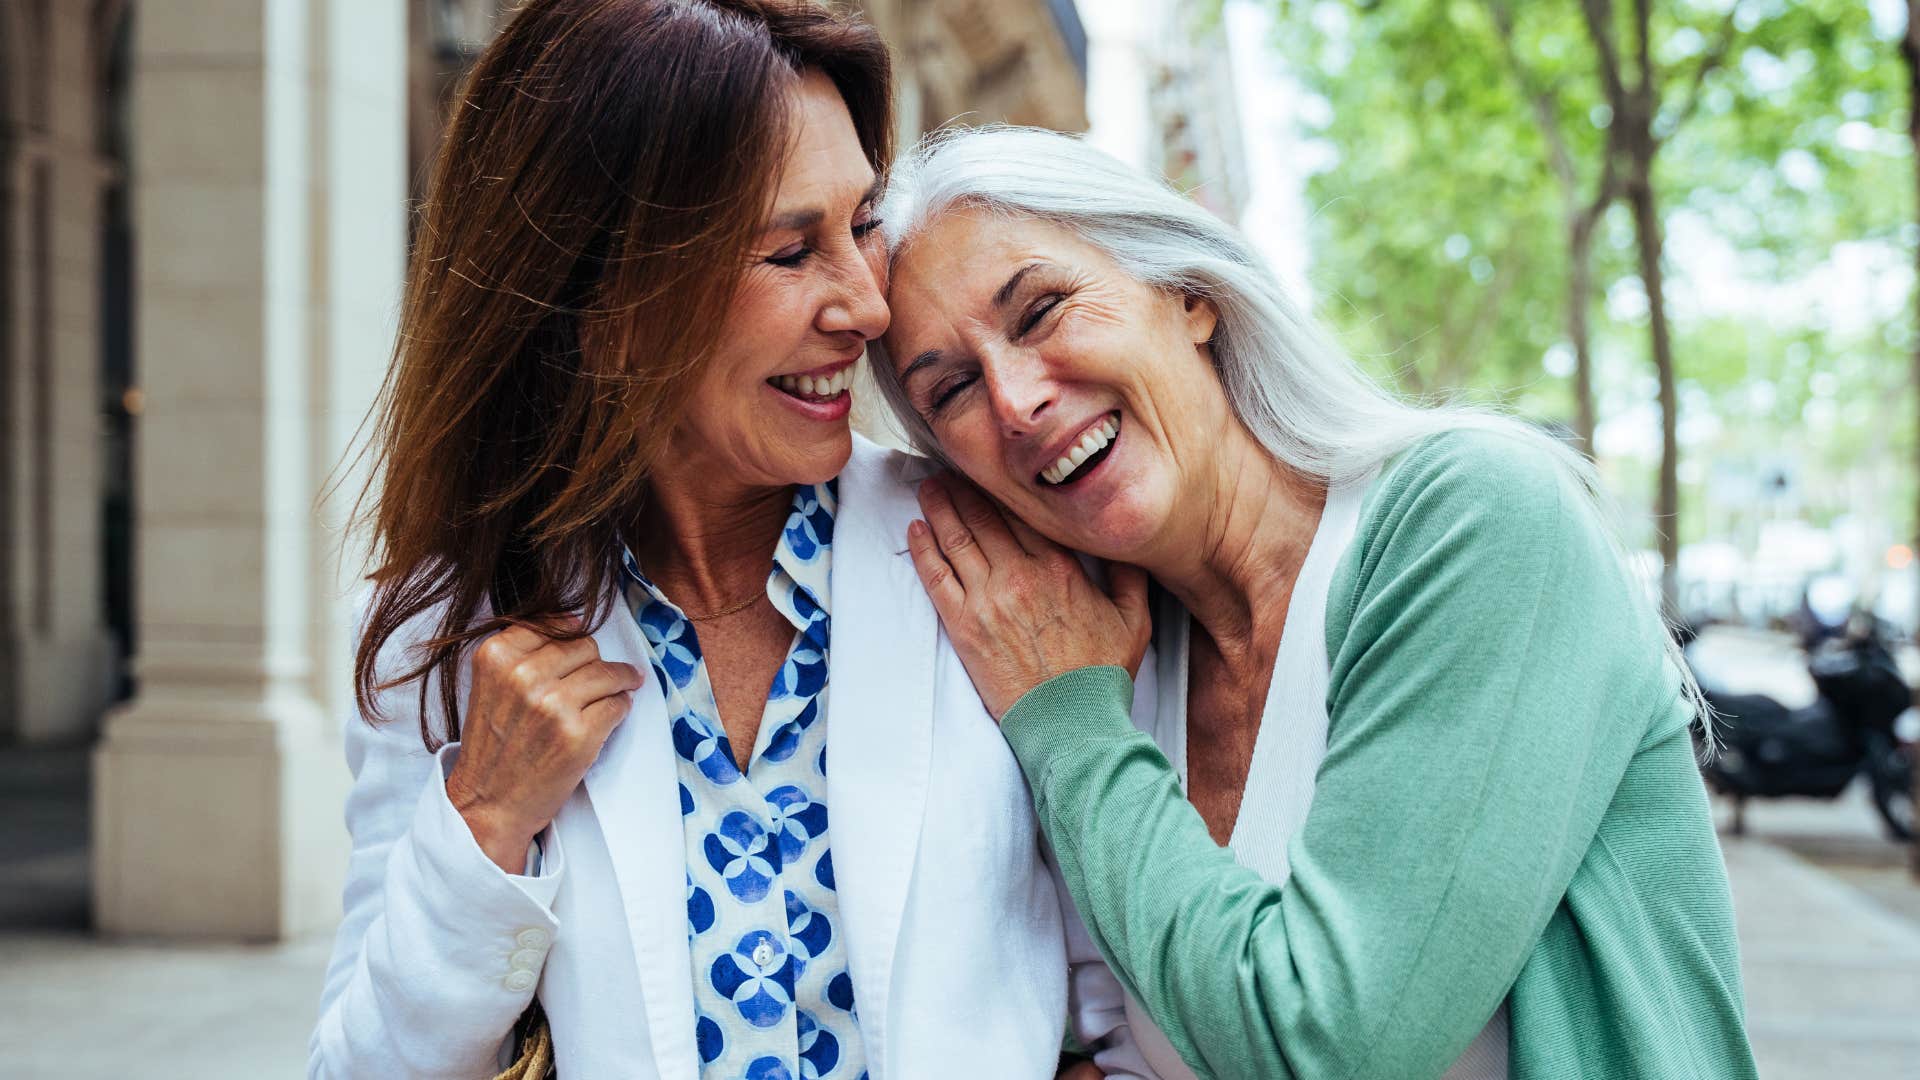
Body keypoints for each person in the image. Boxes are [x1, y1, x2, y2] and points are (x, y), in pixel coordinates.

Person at [311, 9, 1139, 1078]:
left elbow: (1133, 1019)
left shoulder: (996, 562)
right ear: (603, 301)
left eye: (864, 223)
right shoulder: (443, 636)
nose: (868, 306)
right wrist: (481, 821)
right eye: (793, 251)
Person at [868, 126, 1758, 1080]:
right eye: (951, 388)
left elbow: (1331, 1046)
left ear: (1188, 294)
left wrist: (1073, 732)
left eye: (1041, 310)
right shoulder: (1099, 648)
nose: (1014, 400)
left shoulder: (1473, 516)